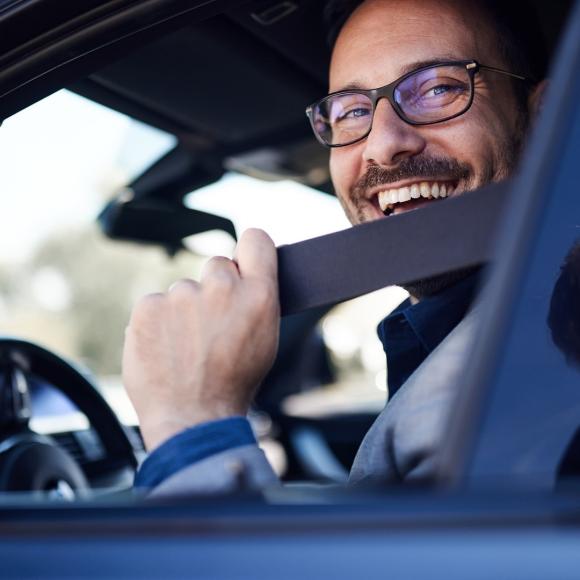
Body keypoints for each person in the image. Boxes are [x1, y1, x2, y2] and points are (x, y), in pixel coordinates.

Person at [123, 0, 547, 495]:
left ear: (542, 116)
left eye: (437, 88)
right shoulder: (473, 341)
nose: (383, 145)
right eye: (352, 112)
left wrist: (194, 428)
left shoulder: (547, 355)